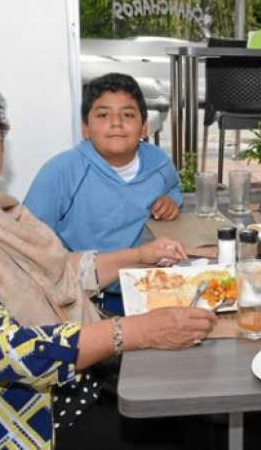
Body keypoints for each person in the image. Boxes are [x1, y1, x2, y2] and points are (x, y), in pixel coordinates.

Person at [0, 68, 216, 449]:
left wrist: (138, 255)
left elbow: (56, 271)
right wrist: (138, 331)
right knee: (189, 426)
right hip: (16, 420)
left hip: (67, 381)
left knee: (201, 409)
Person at [24, 72, 184, 315]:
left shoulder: (159, 163)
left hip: (148, 286)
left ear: (144, 128)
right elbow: (27, 240)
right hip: (85, 298)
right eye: (103, 115)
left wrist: (172, 200)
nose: (116, 122)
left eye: (128, 115)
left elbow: (174, 187)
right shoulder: (60, 172)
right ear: (85, 128)